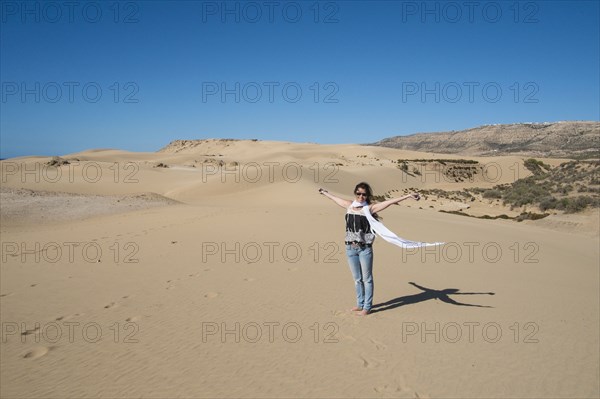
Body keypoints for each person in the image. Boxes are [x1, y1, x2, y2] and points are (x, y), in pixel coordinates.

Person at [318, 182, 421, 316]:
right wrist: (325, 192)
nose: (361, 196)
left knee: (367, 279)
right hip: (350, 248)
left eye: (364, 194)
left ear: (367, 196)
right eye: (359, 193)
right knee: (357, 279)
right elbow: (334, 198)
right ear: (355, 193)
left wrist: (407, 196)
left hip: (364, 249)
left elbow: (389, 202)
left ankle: (367, 307)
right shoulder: (349, 206)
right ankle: (360, 304)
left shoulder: (370, 209)